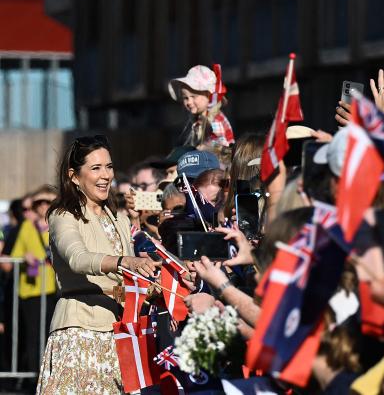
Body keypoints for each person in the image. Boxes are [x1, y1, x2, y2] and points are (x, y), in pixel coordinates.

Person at [37, 135, 160, 394]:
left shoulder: (120, 219)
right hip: (80, 332)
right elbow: (77, 259)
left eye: (109, 166)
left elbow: (132, 275)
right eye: (96, 168)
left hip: (121, 334)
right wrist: (123, 261)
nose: (105, 175)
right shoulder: (63, 216)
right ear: (73, 176)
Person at [2, 186, 58, 388]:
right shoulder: (26, 227)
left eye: (47, 202)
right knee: (33, 338)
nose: (43, 206)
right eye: (39, 203)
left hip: (53, 291)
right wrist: (24, 257)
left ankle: (50, 379)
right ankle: (36, 380)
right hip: (30, 290)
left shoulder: (58, 225)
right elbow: (13, 256)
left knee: (51, 336)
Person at [169, 65, 235, 148]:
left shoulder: (215, 120)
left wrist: (204, 147)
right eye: (185, 98)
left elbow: (222, 145)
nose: (189, 102)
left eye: (194, 96)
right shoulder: (199, 119)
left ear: (208, 96)